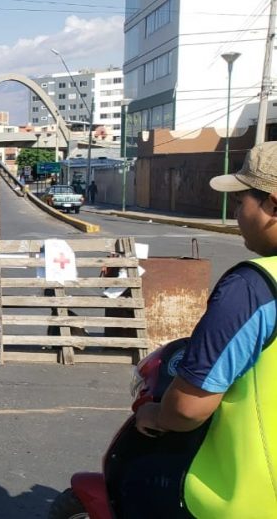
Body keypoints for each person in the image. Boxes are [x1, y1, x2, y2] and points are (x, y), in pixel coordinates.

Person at [131, 141, 277, 517]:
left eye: (242, 200)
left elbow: (188, 409)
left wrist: (154, 416)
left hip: (245, 501)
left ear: (273, 205)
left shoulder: (253, 289)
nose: (236, 213)